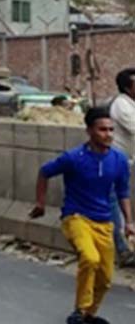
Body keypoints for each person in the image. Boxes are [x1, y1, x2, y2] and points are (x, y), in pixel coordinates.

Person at [30, 108, 133, 324]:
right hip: (76, 217)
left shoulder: (119, 160)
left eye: (111, 130)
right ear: (89, 131)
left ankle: (89, 314)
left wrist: (128, 222)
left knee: (105, 278)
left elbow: (123, 192)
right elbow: (44, 171)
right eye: (102, 130)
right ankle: (79, 309)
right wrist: (40, 203)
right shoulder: (73, 158)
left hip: (104, 221)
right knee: (90, 258)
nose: (108, 134)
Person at [108, 68, 135, 267]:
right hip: (116, 161)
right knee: (113, 203)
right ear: (127, 87)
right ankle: (123, 250)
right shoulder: (121, 106)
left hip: (126, 161)